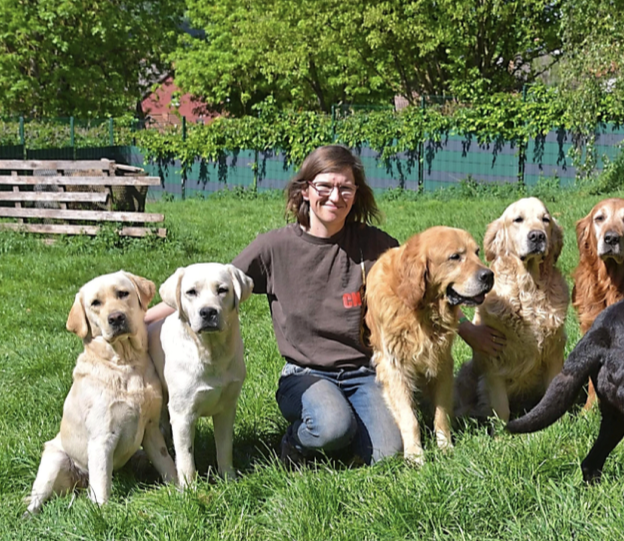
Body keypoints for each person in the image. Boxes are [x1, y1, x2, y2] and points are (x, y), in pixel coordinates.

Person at [148, 145, 505, 467]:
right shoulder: (274, 247)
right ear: (305, 190)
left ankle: (344, 433)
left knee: (389, 451)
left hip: (363, 372)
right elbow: (212, 288)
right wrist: (142, 322)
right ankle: (296, 444)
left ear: (356, 194)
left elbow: (425, 292)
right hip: (304, 374)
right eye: (325, 186)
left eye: (346, 188)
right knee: (332, 426)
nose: (335, 196)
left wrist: (469, 331)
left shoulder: (374, 244)